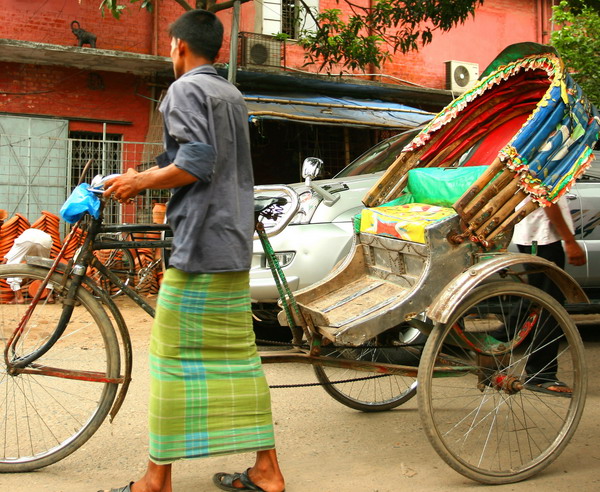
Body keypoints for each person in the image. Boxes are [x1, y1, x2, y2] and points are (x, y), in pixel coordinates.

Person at [99, 10, 285, 492]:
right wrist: (151, 170)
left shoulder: (183, 89)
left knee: (170, 358)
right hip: (230, 241)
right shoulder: (229, 92)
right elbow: (196, 155)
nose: (168, 53)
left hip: (200, 241)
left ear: (180, 45)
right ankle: (267, 469)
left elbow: (197, 162)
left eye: (169, 45)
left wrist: (139, 181)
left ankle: (155, 481)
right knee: (236, 357)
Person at [511, 195, 586, 394]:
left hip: (535, 235)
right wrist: (569, 241)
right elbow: (547, 199)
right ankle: (541, 374)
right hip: (542, 237)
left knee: (535, 299)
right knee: (550, 305)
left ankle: (496, 340)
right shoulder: (545, 162)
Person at [2, 228, 53, 304]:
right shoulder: (37, 233)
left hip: (27, 240)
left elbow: (9, 257)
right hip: (45, 240)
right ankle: (50, 297)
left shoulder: (25, 236)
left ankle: (19, 298)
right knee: (46, 268)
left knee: (12, 266)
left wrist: (3, 266)